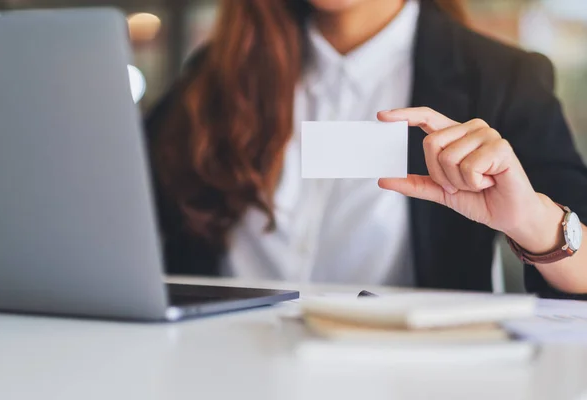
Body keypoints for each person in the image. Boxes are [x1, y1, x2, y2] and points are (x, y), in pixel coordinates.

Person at [146, 0, 587, 299]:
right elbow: (128, 208)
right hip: (216, 361)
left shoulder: (498, 78)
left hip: (399, 376)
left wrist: (530, 220)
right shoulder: (216, 71)